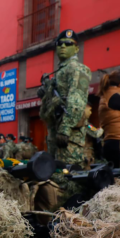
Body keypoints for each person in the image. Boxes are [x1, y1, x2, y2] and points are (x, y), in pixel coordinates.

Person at [37, 29, 91, 166]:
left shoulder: (77, 68)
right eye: (59, 44)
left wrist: (65, 128)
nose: (62, 47)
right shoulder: (61, 71)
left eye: (68, 44)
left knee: (68, 174)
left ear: (76, 48)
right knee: (55, 171)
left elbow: (76, 99)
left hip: (69, 133)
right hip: (57, 129)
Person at [83, 104, 104, 169]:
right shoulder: (86, 124)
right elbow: (96, 133)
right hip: (87, 154)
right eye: (90, 110)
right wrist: (102, 128)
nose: (91, 112)